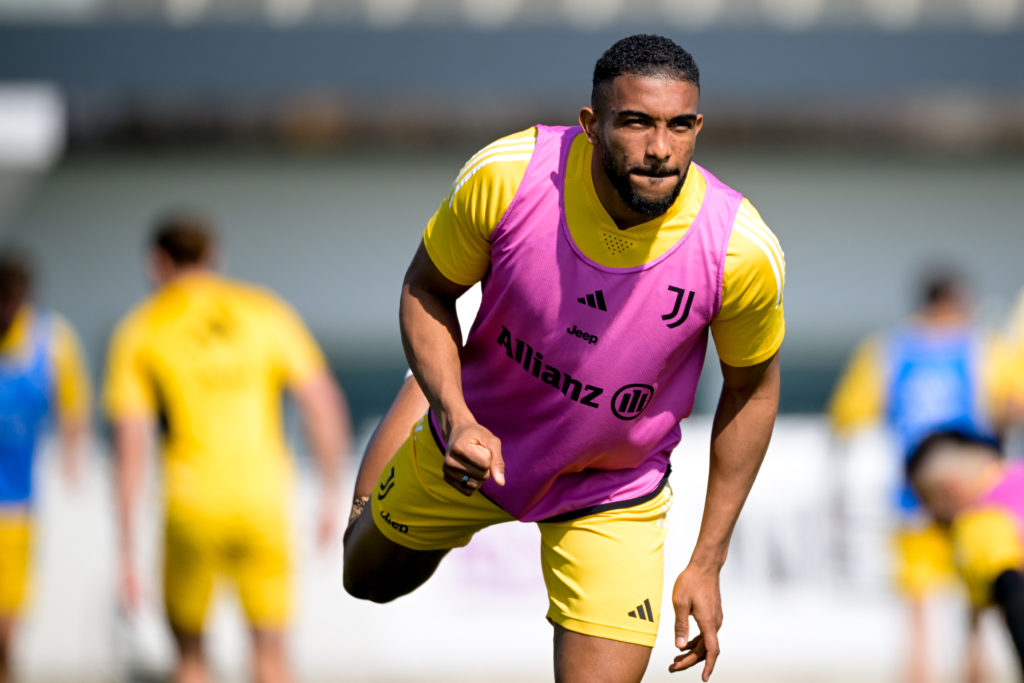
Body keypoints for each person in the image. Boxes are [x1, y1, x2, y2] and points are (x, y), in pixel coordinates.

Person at [344, 34, 785, 682]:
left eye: (679, 126)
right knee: (367, 580)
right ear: (591, 124)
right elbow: (427, 289)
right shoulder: (510, 175)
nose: (660, 149)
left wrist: (707, 560)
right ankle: (428, 390)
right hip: (473, 440)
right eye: (636, 122)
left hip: (612, 486)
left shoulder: (740, 250)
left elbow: (753, 390)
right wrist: (454, 411)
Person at [103, 213, 352, 683]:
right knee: (272, 657)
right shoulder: (264, 312)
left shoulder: (140, 329)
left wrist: (125, 548)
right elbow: (324, 402)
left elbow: (131, 444)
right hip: (261, 504)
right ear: (214, 257)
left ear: (157, 263)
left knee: (191, 659)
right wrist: (333, 493)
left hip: (190, 506)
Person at [829, 267, 1014, 683]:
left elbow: (848, 413)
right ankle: (974, 671)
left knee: (918, 614)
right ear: (953, 301)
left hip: (915, 494)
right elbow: (1011, 404)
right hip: (973, 492)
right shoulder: (982, 346)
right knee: (977, 607)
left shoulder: (889, 349)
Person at [0, 248, 91, 683]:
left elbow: (74, 406)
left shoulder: (51, 340)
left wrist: (74, 458)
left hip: (15, 505)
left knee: (5, 625)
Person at [907, 429, 1024, 676]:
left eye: (934, 508)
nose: (936, 522)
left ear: (952, 488)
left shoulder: (981, 525)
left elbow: (1015, 603)